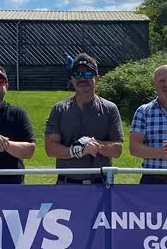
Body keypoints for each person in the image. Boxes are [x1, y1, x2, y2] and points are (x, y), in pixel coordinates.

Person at [45, 53, 124, 184]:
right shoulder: (59, 109)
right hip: (66, 185)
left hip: (100, 184)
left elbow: (117, 150)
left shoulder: (110, 109)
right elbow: (50, 148)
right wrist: (75, 151)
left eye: (88, 74)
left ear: (97, 78)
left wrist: (93, 145)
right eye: (77, 74)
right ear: (71, 79)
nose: (82, 79)